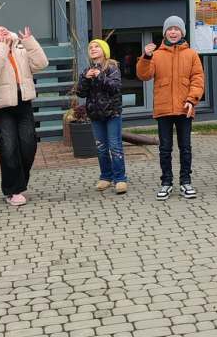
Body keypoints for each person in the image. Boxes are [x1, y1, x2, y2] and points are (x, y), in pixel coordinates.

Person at [0, 25, 49, 207]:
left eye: (4, 29)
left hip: (24, 103)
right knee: (8, 148)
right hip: (2, 108)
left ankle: (18, 183)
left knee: (29, 146)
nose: (2, 31)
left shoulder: (20, 48)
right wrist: (2, 47)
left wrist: (29, 42)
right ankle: (13, 190)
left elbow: (42, 63)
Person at [137, 16, 205, 199]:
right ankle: (166, 182)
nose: (173, 32)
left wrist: (192, 100)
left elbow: (198, 79)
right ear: (164, 32)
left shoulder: (191, 54)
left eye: (176, 29)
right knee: (165, 148)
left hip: (185, 108)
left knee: (185, 147)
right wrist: (146, 57)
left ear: (182, 32)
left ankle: (185, 182)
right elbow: (143, 75)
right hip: (163, 109)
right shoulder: (156, 54)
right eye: (169, 29)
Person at [77, 38, 128, 195]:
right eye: (91, 47)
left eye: (97, 46)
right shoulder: (87, 70)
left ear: (104, 51)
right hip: (95, 115)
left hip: (112, 113)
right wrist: (85, 78)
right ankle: (106, 176)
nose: (93, 49)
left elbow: (115, 87)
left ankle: (120, 179)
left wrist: (100, 76)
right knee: (101, 147)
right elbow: (80, 92)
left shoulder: (112, 68)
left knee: (115, 146)